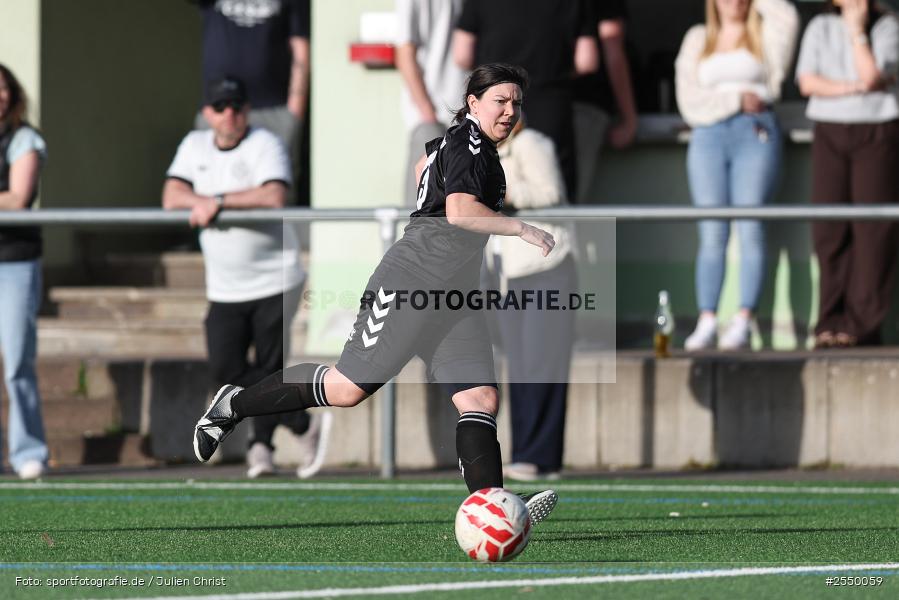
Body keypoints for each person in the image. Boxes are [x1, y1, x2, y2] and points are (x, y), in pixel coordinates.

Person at [191, 64, 559, 524]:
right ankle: (233, 405)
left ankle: (492, 511)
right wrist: (521, 227)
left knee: (479, 399)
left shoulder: (461, 142)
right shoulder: (470, 142)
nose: (510, 111)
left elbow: (425, 164)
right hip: (410, 284)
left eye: (516, 103)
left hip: (453, 298)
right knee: (347, 389)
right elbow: (462, 211)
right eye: (500, 101)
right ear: (473, 103)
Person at [163, 77, 331, 478]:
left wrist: (217, 202)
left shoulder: (265, 143)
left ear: (247, 110)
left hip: (275, 277)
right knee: (227, 371)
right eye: (220, 107)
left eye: (236, 106)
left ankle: (261, 448)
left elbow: (274, 195)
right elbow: (171, 195)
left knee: (271, 367)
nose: (229, 114)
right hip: (224, 285)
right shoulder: (194, 145)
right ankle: (303, 422)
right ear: (208, 113)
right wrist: (199, 201)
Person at [675, 0, 799, 350]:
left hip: (756, 133)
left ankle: (744, 319)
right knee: (712, 230)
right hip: (708, 138)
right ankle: (708, 319)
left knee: (751, 226)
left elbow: (787, 15)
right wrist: (735, 100)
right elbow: (689, 100)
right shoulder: (698, 38)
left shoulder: (764, 31)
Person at [796, 0, 899, 349]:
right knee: (829, 229)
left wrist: (857, 31)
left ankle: (862, 326)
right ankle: (829, 322)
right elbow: (807, 82)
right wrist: (854, 89)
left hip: (877, 130)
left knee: (873, 233)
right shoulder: (820, 27)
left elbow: (872, 74)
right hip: (829, 130)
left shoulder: (887, 27)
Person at [484, 118, 576, 482]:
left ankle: (538, 457)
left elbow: (550, 192)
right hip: (509, 276)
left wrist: (498, 188)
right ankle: (531, 456)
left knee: (542, 365)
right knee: (520, 368)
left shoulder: (533, 143)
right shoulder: (488, 153)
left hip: (548, 267)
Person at [452, 0, 599, 199]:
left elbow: (462, 55)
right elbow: (587, 61)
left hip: (494, 101)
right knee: (553, 192)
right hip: (550, 105)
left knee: (485, 185)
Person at [195, 0, 310, 202]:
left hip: (273, 111)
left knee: (276, 190)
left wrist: (293, 114)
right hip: (219, 109)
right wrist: (214, 110)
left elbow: (300, 47)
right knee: (211, 187)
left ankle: (281, 236)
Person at [0, 63, 48, 480]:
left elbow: (17, 199)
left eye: (2, 89)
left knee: (16, 360)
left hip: (14, 261)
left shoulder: (24, 138)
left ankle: (28, 450)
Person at [395, 0, 469, 207]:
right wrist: (428, 114)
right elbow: (404, 54)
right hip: (432, 119)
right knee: (424, 213)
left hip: (464, 117)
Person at [573, 0, 640, 204]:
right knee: (566, 203)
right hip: (585, 105)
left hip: (532, 103)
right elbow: (613, 49)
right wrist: (629, 119)